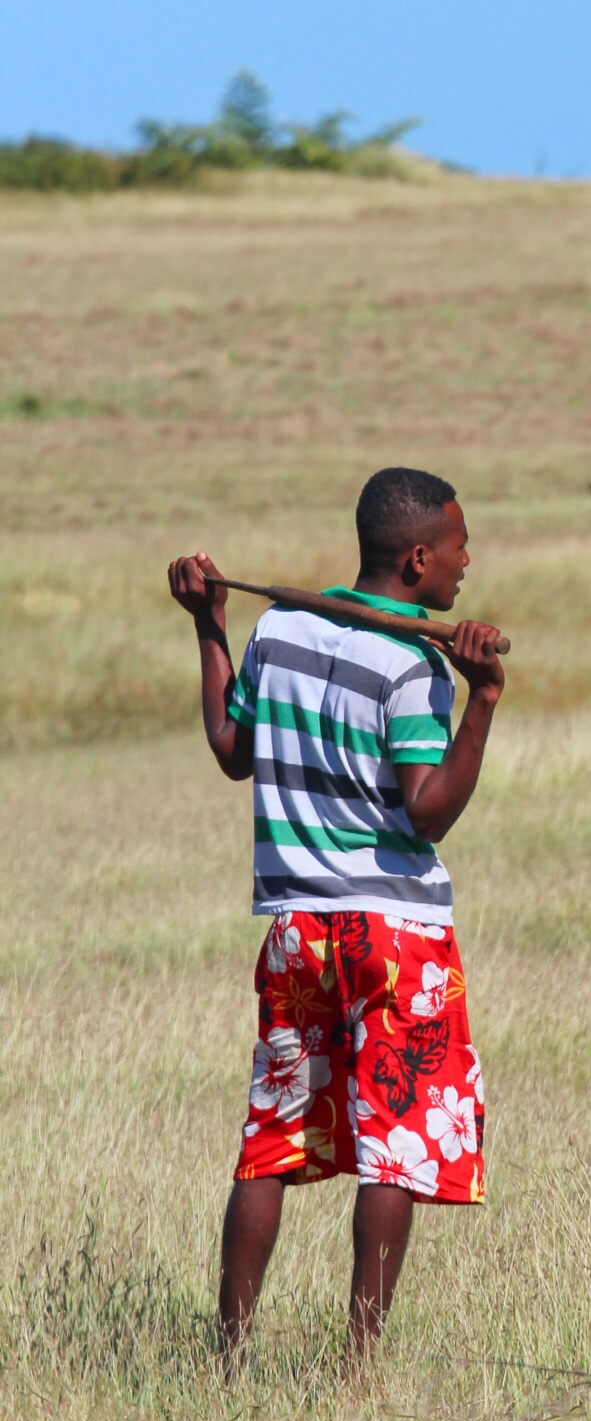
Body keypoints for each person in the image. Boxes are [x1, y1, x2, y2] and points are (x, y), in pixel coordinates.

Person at [167, 466, 506, 1365]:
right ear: (420, 557)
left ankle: (230, 1357)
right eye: (460, 546)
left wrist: (209, 627)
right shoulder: (410, 665)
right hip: (396, 934)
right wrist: (483, 702)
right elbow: (428, 809)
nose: (468, 563)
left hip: (296, 931)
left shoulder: (276, 631)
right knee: (393, 1148)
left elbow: (231, 751)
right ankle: (356, 1367)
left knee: (273, 1138)